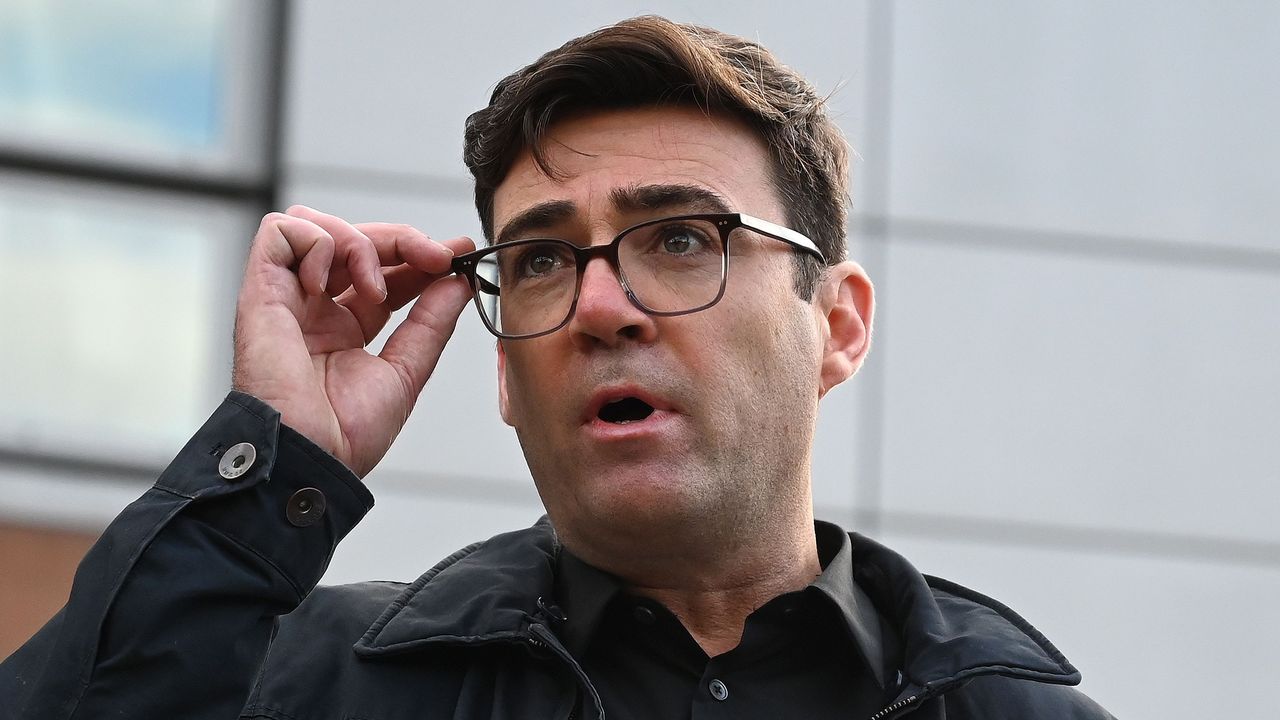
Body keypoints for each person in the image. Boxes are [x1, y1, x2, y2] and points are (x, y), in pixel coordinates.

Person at [2, 16, 1114, 720]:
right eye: (538, 260)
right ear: (502, 373)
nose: (593, 305)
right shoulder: (313, 683)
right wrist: (273, 462)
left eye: (681, 239)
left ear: (836, 325)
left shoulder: (1014, 712)